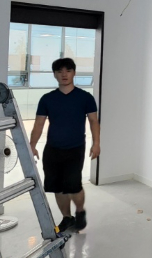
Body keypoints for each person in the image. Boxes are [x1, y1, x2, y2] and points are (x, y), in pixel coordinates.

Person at [29, 58, 100, 232]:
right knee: (57, 187)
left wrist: (96, 143)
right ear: (54, 75)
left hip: (75, 148)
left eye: (68, 70)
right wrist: (32, 145)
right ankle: (67, 218)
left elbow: (93, 121)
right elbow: (39, 124)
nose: (64, 74)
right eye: (60, 71)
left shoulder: (85, 97)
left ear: (74, 73)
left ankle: (80, 211)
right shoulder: (47, 99)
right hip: (52, 149)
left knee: (74, 186)